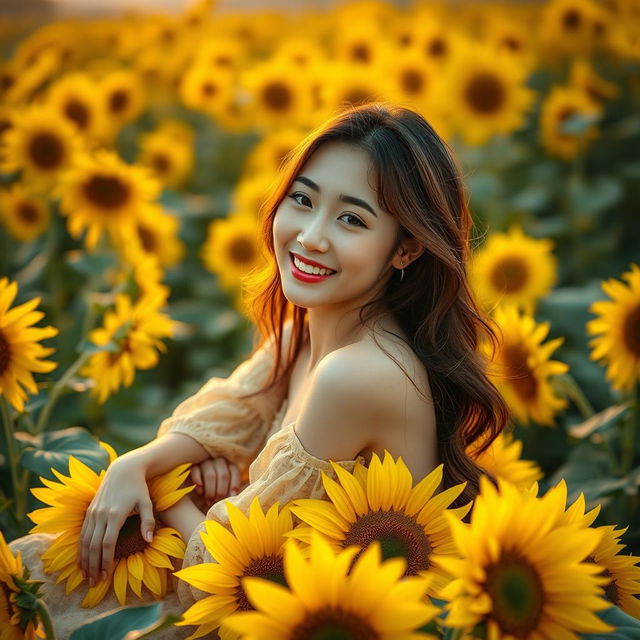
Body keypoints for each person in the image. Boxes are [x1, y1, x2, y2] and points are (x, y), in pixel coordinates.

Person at [10, 102, 509, 637]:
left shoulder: (359, 374)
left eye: (351, 219)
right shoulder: (306, 332)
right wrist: (142, 462)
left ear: (406, 248)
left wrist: (173, 491)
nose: (310, 236)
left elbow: (220, 572)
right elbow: (235, 410)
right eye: (303, 200)